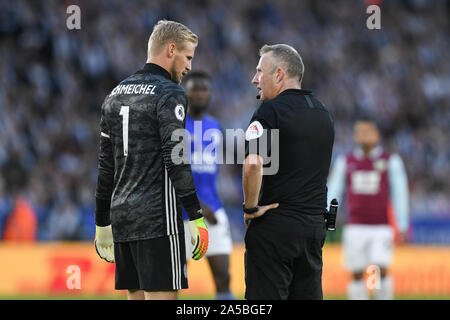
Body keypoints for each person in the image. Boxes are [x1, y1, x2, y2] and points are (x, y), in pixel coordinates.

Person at [93, 20, 209, 300]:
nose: (190, 67)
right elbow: (176, 158)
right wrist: (196, 216)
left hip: (123, 221)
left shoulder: (115, 94)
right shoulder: (170, 93)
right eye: (188, 57)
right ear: (171, 49)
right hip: (158, 221)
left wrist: (101, 222)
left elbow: (106, 165)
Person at [242, 44, 335, 300]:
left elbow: (252, 164)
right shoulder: (323, 113)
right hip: (314, 228)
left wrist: (250, 208)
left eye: (260, 71)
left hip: (276, 227)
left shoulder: (269, 112)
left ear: (279, 74)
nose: (254, 79)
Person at [327, 117, 409, 300]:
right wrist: (327, 219)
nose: (364, 136)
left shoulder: (389, 161)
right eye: (360, 132)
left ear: (377, 135)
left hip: (380, 227)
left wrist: (402, 225)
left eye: (368, 131)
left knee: (378, 268)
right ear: (355, 137)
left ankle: (378, 297)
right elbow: (333, 193)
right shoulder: (345, 162)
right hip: (355, 227)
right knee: (356, 272)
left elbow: (400, 194)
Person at [181, 71, 235, 300]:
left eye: (204, 89)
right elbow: (169, 173)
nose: (200, 94)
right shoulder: (176, 125)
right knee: (172, 283)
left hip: (213, 211)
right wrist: (198, 205)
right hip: (180, 216)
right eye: (195, 89)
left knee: (223, 278)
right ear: (184, 93)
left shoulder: (215, 125)